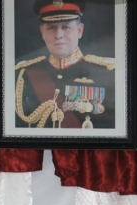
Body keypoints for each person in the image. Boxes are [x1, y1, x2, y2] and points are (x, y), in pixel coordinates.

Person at [14, 0, 115, 130]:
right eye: (51, 28)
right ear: (42, 32)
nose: (58, 35)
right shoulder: (22, 75)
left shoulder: (108, 72)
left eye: (66, 27)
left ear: (79, 31)